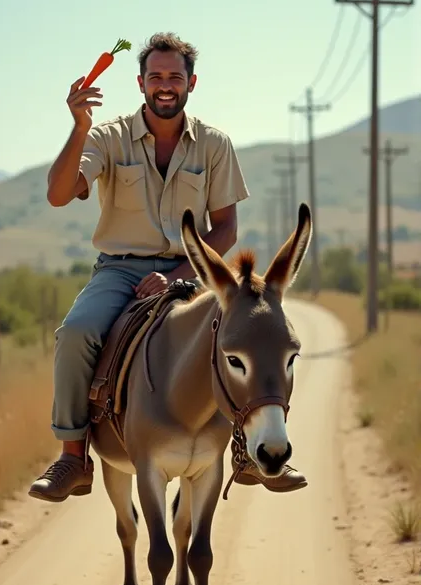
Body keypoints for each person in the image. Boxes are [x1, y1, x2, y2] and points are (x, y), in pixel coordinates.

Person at [28, 32, 308, 503]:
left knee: (250, 335)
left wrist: (180, 273)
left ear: (191, 83)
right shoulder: (106, 137)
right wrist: (78, 126)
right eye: (155, 76)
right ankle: (73, 457)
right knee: (76, 331)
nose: (164, 85)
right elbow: (58, 194)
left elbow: (225, 229)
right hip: (120, 270)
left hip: (192, 272)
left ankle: (251, 453)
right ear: (140, 83)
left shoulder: (215, 145)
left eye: (174, 77)